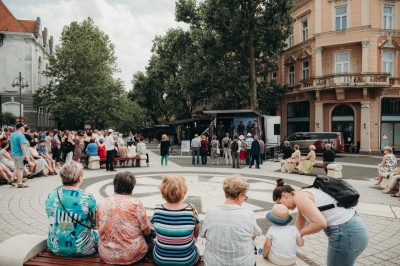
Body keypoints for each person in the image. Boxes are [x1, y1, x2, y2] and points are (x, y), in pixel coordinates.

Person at [272, 178, 368, 266]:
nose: (284, 208)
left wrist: (300, 234)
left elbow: (320, 223)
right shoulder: (302, 195)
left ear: (284, 195)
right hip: (353, 230)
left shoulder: (300, 198)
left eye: (279, 204)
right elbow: (298, 227)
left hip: (346, 233)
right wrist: (282, 237)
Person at [201, 175, 262, 266]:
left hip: (213, 262)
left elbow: (204, 235)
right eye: (245, 196)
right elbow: (254, 235)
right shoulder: (248, 214)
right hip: (244, 263)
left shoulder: (211, 212)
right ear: (240, 195)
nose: (245, 199)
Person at [97, 172, 152, 264]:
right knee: (152, 241)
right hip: (130, 255)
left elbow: (99, 226)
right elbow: (146, 230)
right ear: (132, 186)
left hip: (106, 254)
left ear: (115, 185)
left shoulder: (102, 202)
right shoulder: (136, 203)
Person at [46, 161, 98, 256]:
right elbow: (95, 223)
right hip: (81, 248)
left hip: (55, 246)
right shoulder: (87, 197)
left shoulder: (52, 194)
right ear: (79, 178)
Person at [151, 175, 200, 266]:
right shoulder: (191, 211)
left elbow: (156, 231)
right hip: (187, 261)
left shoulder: (157, 210)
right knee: (196, 246)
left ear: (163, 190)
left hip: (161, 260)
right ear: (183, 191)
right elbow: (196, 235)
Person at [10, 123, 29, 188]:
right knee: (21, 169)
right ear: (21, 128)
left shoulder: (12, 134)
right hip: (20, 154)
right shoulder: (21, 135)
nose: (24, 129)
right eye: (23, 127)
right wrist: (26, 155)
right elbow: (22, 147)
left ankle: (13, 180)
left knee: (18, 168)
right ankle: (20, 183)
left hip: (14, 154)